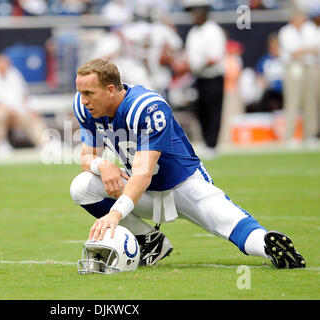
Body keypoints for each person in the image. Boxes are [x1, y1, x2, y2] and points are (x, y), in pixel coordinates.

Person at [69, 58, 306, 269]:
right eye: (81, 92)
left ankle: (270, 248)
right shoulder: (86, 108)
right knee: (82, 186)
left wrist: (114, 215)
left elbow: (143, 172)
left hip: (184, 184)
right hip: (143, 192)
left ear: (110, 90)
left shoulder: (146, 107)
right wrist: (103, 165)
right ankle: (149, 241)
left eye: (89, 93)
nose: (83, 99)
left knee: (229, 222)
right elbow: (86, 157)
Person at [0, 54, 46, 156]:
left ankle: (45, 144)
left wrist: (28, 109)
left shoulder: (14, 74)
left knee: (33, 117)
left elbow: (24, 96)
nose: (5, 64)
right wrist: (11, 111)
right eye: (2, 62)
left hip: (15, 112)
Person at [184, 1, 226, 159]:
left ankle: (212, 144)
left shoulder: (213, 31)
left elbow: (214, 58)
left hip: (213, 77)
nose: (194, 16)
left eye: (196, 13)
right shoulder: (193, 32)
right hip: (199, 77)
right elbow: (189, 55)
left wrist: (195, 66)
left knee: (213, 110)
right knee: (200, 110)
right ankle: (205, 142)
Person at [278, 9, 318, 148]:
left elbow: (316, 48)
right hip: (293, 68)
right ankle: (289, 136)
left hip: (310, 67)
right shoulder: (286, 31)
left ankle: (311, 135)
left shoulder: (311, 29)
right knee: (292, 102)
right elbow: (293, 51)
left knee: (311, 102)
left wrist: (303, 51)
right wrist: (307, 50)